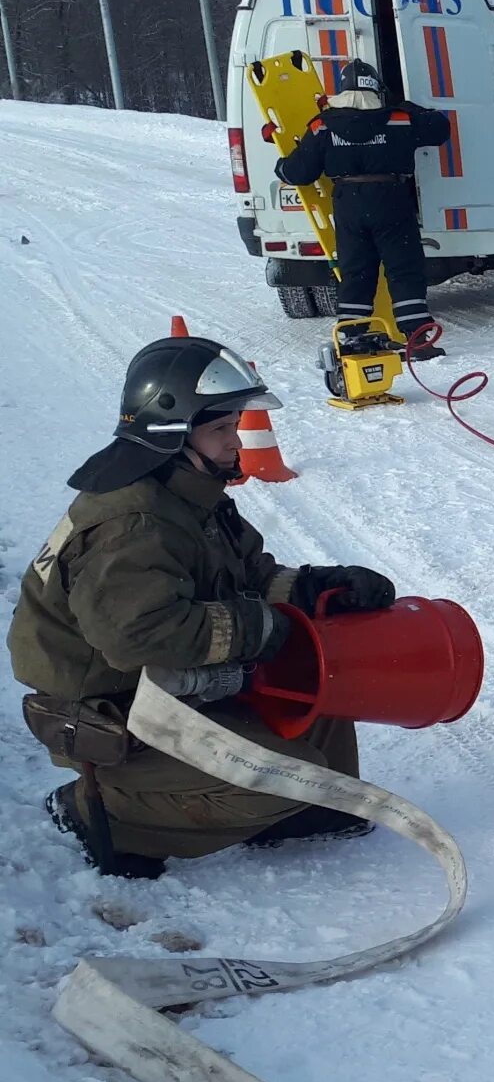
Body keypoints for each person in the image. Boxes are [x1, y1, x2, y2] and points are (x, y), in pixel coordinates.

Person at [10, 337, 399, 879]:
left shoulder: (186, 492)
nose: (235, 441)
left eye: (234, 425)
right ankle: (106, 814)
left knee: (320, 688)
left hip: (167, 684)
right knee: (287, 775)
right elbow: (137, 636)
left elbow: (248, 576)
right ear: (170, 435)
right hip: (112, 712)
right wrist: (257, 629)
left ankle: (302, 806)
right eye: (220, 429)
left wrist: (315, 589)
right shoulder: (134, 523)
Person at [275, 58, 450, 354]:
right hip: (391, 199)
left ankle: (353, 336)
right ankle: (417, 337)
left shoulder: (322, 126)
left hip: (349, 203)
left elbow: (297, 174)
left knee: (355, 270)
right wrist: (409, 106)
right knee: (403, 269)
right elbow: (441, 129)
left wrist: (281, 163)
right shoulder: (398, 120)